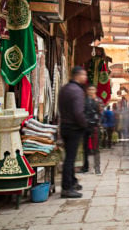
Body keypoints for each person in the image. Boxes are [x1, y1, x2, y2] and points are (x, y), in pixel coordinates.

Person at [58, 66, 88, 198]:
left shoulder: (64, 89)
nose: (85, 78)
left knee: (69, 156)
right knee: (70, 158)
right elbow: (78, 112)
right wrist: (85, 125)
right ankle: (66, 188)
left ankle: (72, 181)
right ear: (78, 76)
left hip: (64, 126)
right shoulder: (77, 91)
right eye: (84, 75)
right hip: (73, 128)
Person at [82, 85, 99, 174]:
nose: (91, 91)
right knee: (85, 148)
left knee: (95, 147)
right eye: (90, 89)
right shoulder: (84, 101)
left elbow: (100, 113)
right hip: (86, 126)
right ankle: (85, 166)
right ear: (87, 91)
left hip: (94, 126)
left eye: (93, 89)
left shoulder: (98, 101)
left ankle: (97, 167)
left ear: (95, 90)